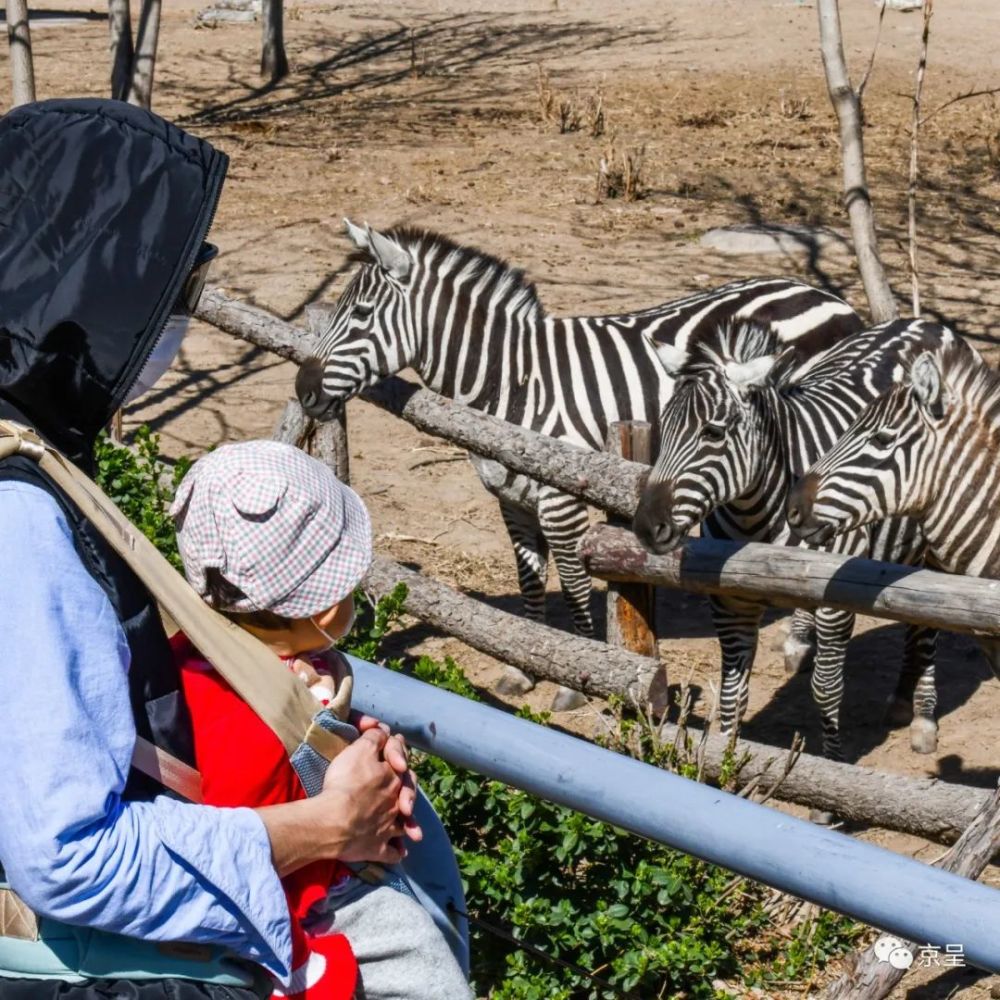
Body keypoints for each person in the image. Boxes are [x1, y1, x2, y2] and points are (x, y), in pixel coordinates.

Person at [0, 99, 415, 999]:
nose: (179, 322)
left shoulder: (27, 460)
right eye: (174, 293)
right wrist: (329, 822)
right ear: (89, 293)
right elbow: (65, 858)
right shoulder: (20, 517)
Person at [169, 439, 472, 1000]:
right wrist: (310, 963)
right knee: (423, 958)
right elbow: (250, 852)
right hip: (303, 912)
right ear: (330, 608)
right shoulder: (247, 716)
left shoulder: (189, 655)